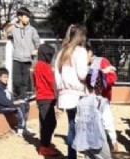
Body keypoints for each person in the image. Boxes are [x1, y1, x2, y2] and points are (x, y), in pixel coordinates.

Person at [54, 24, 89, 159]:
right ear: (80, 36)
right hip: (78, 94)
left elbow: (56, 75)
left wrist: (59, 94)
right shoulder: (80, 51)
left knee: (71, 127)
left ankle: (71, 156)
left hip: (65, 94)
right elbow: (82, 75)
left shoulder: (62, 52)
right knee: (83, 127)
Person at [73, 70, 118, 159]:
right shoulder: (102, 102)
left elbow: (77, 120)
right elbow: (108, 123)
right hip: (99, 141)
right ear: (101, 85)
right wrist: (113, 140)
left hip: (85, 139)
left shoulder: (81, 101)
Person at [5, 7, 40, 99]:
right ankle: (17, 97)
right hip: (16, 58)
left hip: (28, 59)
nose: (28, 18)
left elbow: (37, 42)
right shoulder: (13, 29)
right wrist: (7, 31)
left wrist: (36, 49)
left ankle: (22, 100)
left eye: (28, 17)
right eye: (26, 16)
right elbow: (4, 40)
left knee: (24, 82)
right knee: (16, 81)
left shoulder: (32, 30)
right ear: (20, 17)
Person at [0, 67, 32, 137]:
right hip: (0, 107)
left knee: (26, 105)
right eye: (4, 77)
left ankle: (24, 126)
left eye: (7, 77)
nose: (6, 79)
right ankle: (21, 129)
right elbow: (1, 101)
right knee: (19, 107)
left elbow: (9, 98)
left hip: (7, 105)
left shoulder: (3, 86)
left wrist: (17, 100)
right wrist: (13, 103)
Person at [34, 43, 59, 156]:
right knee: (50, 123)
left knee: (45, 122)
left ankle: (45, 145)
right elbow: (51, 82)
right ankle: (44, 146)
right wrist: (57, 95)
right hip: (46, 98)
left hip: (42, 97)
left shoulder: (37, 65)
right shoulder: (44, 66)